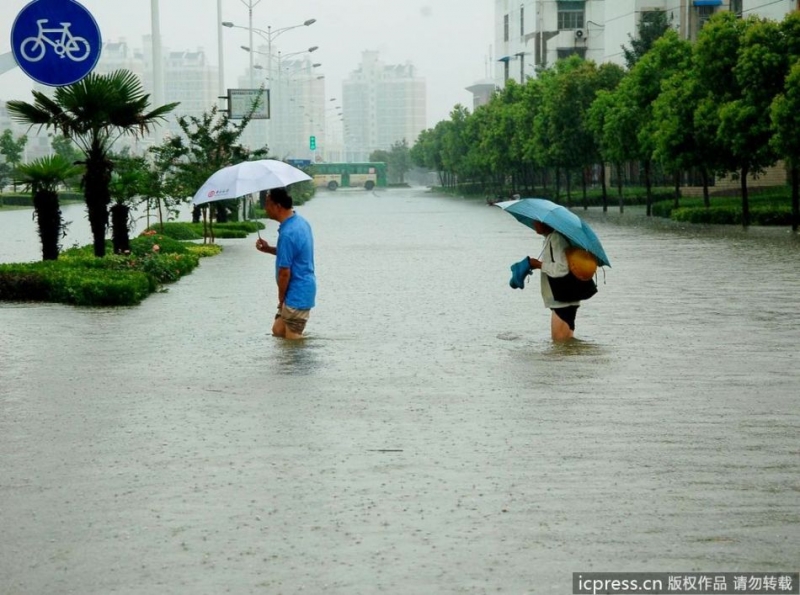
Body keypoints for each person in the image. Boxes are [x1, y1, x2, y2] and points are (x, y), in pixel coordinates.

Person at [255, 187, 316, 339]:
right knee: (278, 330)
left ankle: (302, 363)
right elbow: (291, 253)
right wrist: (269, 249)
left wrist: (281, 298)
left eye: (268, 203)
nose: (265, 208)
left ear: (278, 206)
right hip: (302, 289)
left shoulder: (288, 233)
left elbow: (284, 272)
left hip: (296, 293)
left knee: (293, 340)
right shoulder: (300, 222)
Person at [527, 221, 580, 341]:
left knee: (559, 344)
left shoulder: (556, 239)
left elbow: (563, 268)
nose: (533, 224)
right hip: (565, 298)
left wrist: (539, 264)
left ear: (545, 223)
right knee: (566, 344)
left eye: (536, 221)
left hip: (563, 299)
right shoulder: (550, 239)